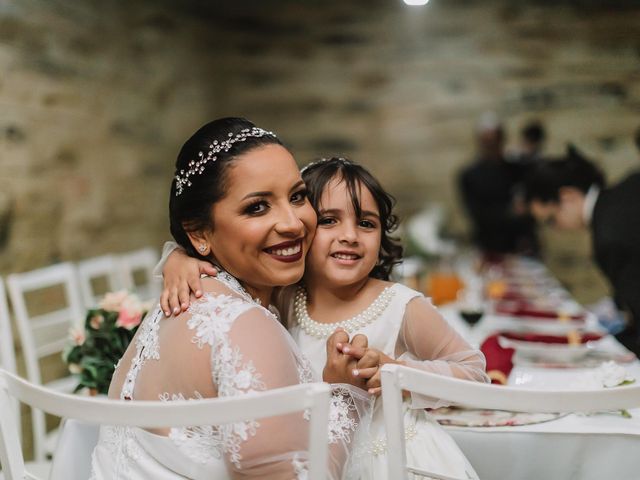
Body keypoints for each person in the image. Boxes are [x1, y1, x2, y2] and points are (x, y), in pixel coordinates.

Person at [161, 157, 489, 479]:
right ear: (301, 231)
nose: (350, 235)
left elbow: (474, 374)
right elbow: (217, 259)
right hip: (317, 463)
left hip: (400, 463)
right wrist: (178, 259)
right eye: (329, 220)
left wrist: (397, 373)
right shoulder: (283, 297)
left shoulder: (401, 305)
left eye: (366, 223)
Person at [90, 118, 375, 480]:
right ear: (199, 233)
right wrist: (347, 398)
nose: (292, 223)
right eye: (257, 207)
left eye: (297, 196)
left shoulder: (186, 298)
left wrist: (176, 256)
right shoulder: (246, 327)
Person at [525, 145, 640, 356]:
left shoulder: (608, 235)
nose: (556, 229)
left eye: (551, 220)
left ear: (567, 196)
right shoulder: (631, 183)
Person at [458, 113, 539, 256]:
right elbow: (476, 213)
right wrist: (510, 212)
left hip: (521, 245)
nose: (491, 146)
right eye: (487, 141)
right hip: (488, 245)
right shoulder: (469, 175)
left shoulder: (518, 169)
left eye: (495, 140)